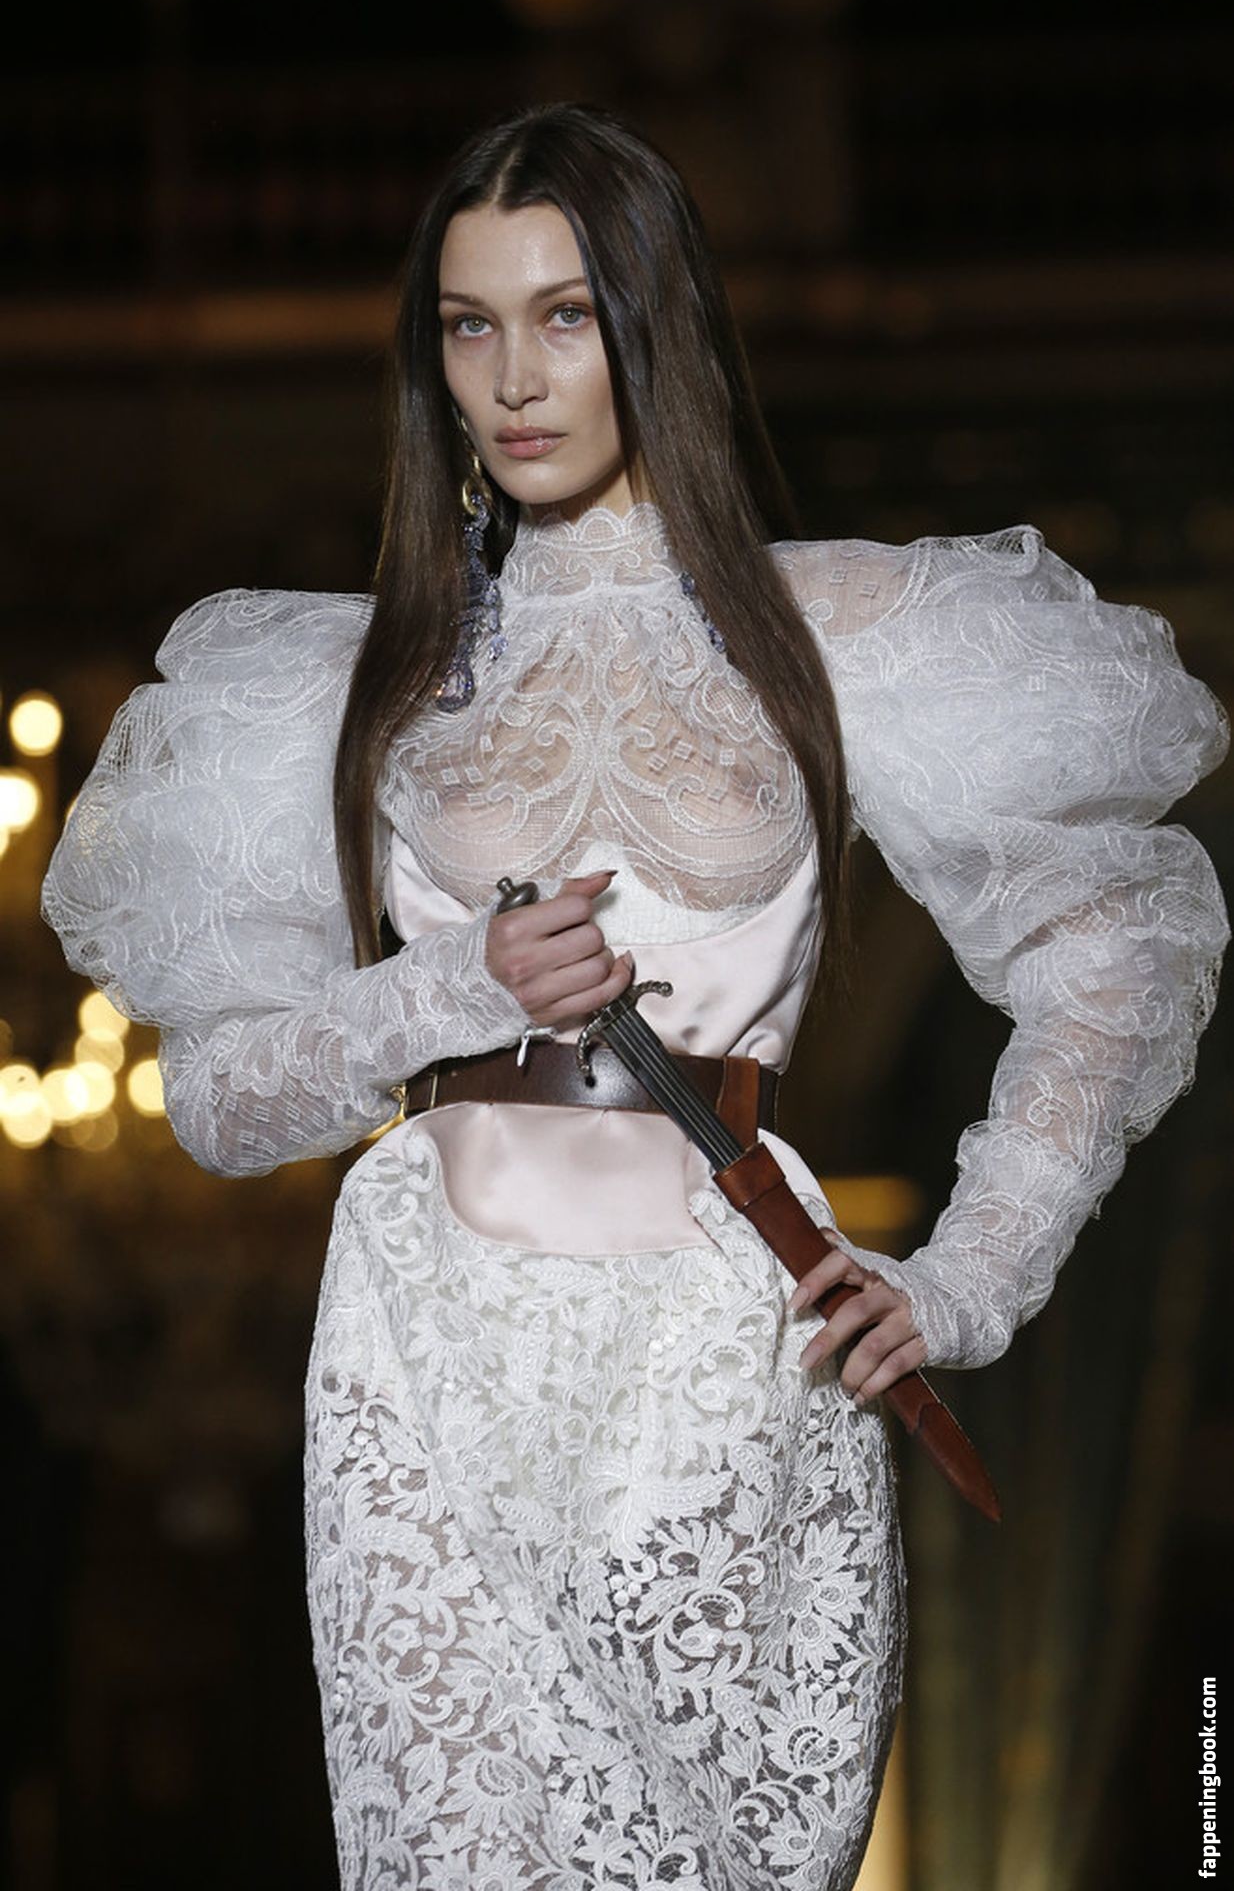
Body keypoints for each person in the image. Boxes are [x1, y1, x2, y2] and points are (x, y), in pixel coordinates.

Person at [42, 101, 1228, 1890]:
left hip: (720, 1341)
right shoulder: (354, 679)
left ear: (653, 326)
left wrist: (970, 1276)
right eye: (468, 324)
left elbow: (1115, 950)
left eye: (566, 315)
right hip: (424, 1336)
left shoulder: (838, 632)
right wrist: (439, 992)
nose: (513, 376)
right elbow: (217, 1108)